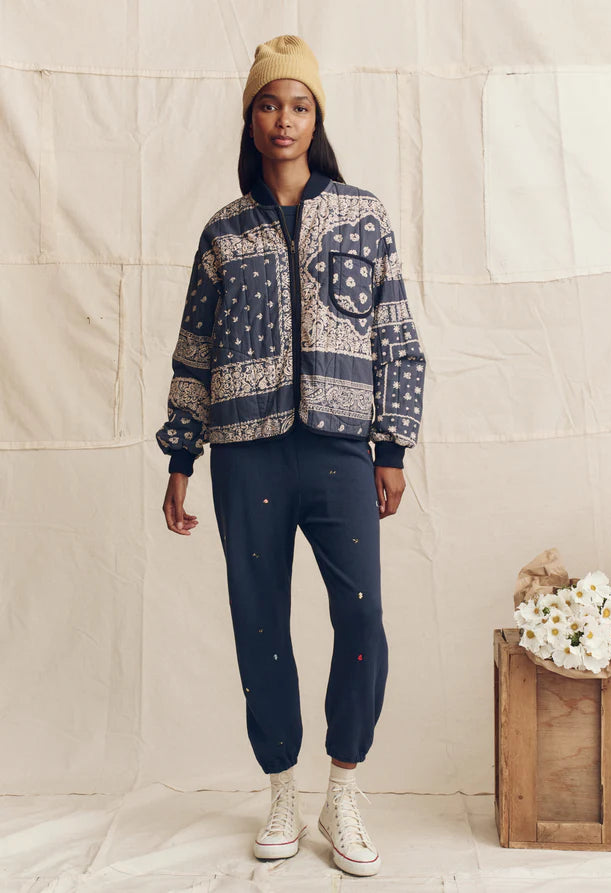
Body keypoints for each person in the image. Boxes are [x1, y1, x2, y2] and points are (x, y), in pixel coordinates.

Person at [155, 34, 425, 878]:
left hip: (341, 448)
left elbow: (396, 337)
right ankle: (280, 785)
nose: (285, 120)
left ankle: (343, 786)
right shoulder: (224, 233)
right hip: (246, 454)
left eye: (300, 105)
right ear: (251, 116)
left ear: (318, 116)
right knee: (259, 622)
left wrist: (393, 445)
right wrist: (179, 456)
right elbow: (192, 349)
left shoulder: (364, 214)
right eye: (270, 104)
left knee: (361, 619)